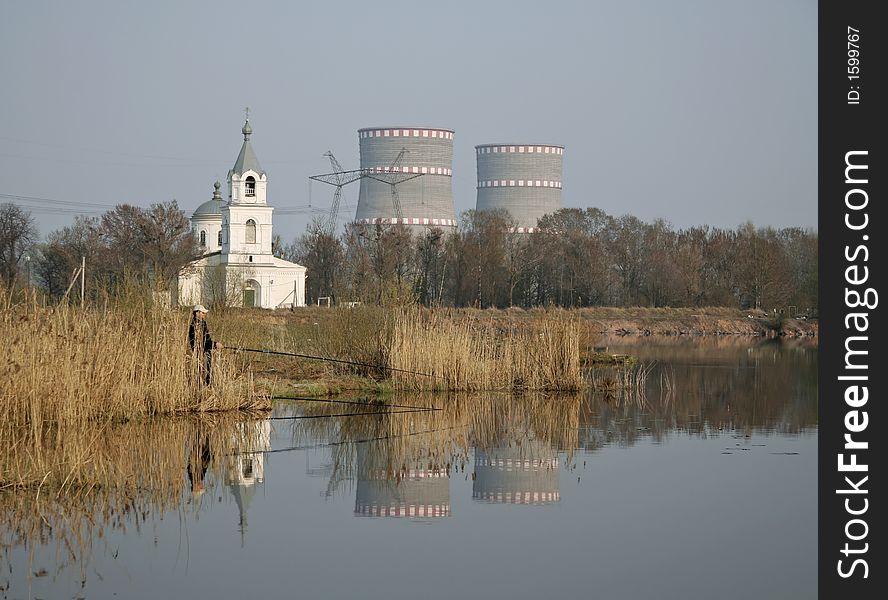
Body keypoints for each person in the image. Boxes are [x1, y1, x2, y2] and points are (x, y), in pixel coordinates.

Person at [188, 305, 223, 385]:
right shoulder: (195, 325)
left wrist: (213, 345)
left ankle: (207, 385)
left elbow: (207, 338)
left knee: (208, 370)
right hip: (200, 353)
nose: (204, 315)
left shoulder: (202, 323)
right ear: (197, 313)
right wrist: (215, 344)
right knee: (203, 371)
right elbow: (202, 341)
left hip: (206, 351)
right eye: (203, 313)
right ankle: (202, 386)